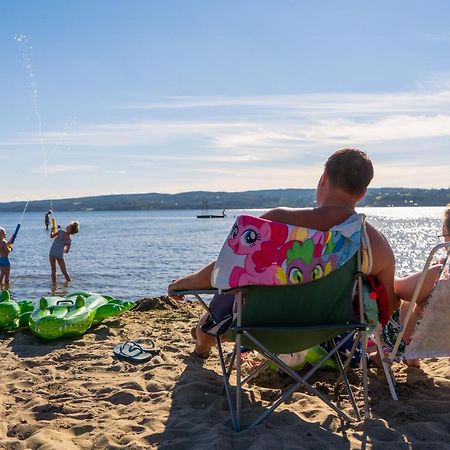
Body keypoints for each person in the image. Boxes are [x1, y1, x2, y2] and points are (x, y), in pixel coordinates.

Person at [168, 148, 401, 359]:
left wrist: (181, 284)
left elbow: (222, 270)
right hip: (331, 333)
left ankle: (202, 344)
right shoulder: (375, 244)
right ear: (362, 193)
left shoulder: (276, 221)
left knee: (227, 294)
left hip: (258, 329)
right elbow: (387, 307)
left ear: (323, 179)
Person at [392, 204, 450, 367]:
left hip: (437, 322)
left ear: (445, 229)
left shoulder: (439, 271)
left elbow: (399, 288)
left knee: (407, 303)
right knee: (419, 303)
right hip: (443, 330)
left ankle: (411, 354)